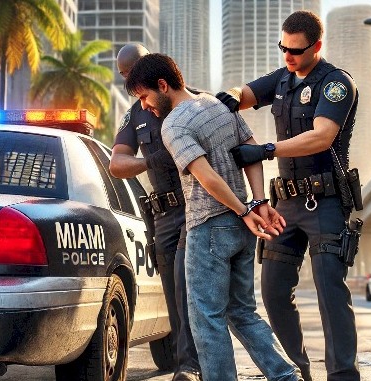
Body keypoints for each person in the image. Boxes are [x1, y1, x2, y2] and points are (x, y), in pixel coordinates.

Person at [124, 52, 303, 381]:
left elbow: (206, 177)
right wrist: (257, 201)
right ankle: (286, 376)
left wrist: (244, 209)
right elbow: (250, 150)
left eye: (145, 97)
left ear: (163, 85)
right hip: (240, 228)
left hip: (208, 228)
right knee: (242, 313)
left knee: (205, 320)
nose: (145, 107)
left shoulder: (174, 125)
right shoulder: (218, 104)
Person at [216, 10, 360, 381]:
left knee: (330, 291)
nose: (288, 56)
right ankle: (297, 371)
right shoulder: (282, 79)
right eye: (284, 48)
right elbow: (246, 93)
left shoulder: (335, 83)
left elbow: (322, 135)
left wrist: (266, 150)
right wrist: (229, 97)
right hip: (285, 205)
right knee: (274, 292)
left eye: (296, 50)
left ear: (317, 46)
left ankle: (343, 375)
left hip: (324, 202)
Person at [109, 44, 201, 381]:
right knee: (173, 296)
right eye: (124, 77)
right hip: (163, 216)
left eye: (133, 74)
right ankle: (187, 363)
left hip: (197, 206)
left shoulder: (197, 101)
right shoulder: (135, 113)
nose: (130, 83)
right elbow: (117, 163)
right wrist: (150, 161)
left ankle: (191, 366)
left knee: (184, 284)